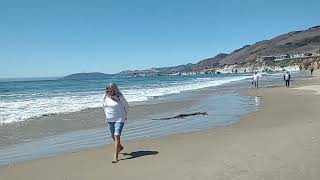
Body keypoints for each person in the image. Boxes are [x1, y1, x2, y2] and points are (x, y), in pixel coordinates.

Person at [102, 82, 129, 163]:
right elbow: (104, 107)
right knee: (112, 136)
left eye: (110, 91)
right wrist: (106, 116)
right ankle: (120, 147)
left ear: (114, 90)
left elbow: (126, 106)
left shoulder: (120, 97)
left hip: (120, 118)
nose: (109, 93)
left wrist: (125, 116)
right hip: (110, 119)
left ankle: (115, 156)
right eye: (107, 91)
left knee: (116, 136)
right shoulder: (104, 97)